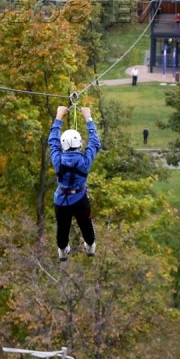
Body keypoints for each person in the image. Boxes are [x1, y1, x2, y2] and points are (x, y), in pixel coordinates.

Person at [49, 105, 101, 261]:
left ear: (63, 145)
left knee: (62, 229)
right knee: (86, 225)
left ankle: (63, 250)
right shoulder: (84, 161)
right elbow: (95, 143)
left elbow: (53, 141)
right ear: (79, 144)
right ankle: (90, 245)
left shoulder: (58, 160)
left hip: (61, 200)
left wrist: (58, 117)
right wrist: (88, 118)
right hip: (79, 199)